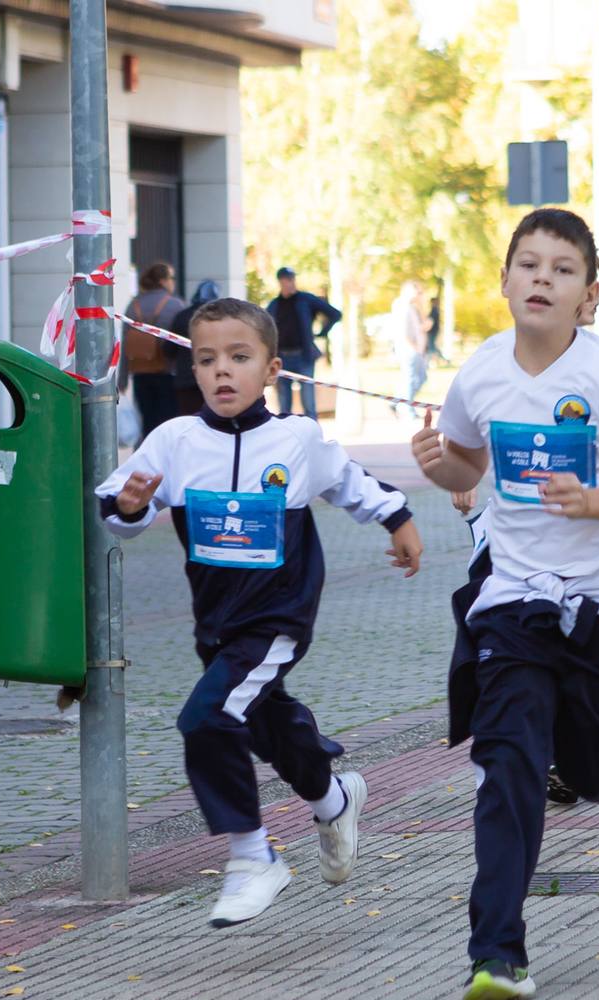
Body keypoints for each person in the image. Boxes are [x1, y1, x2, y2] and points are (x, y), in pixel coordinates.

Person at [412, 207, 599, 1000]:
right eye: (527, 265)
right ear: (503, 283)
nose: (542, 279)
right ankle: (497, 953)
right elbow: (465, 460)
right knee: (510, 767)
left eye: (562, 270)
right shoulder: (482, 372)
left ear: (588, 297)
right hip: (513, 602)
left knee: (596, 770)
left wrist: (593, 500)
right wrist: (438, 464)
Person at [95, 298, 423, 928]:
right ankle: (332, 799)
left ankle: (253, 857)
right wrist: (131, 506)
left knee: (208, 718)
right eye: (207, 359)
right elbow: (116, 507)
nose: (222, 372)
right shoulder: (175, 441)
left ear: (272, 369)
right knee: (263, 723)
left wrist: (400, 520)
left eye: (238, 358)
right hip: (216, 624)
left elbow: (353, 482)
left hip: (277, 618)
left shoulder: (296, 439)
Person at [267, 267, 343, 419]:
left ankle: (313, 438)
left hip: (304, 357)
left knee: (309, 403)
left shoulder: (306, 300)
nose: (290, 283)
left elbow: (335, 314)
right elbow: (265, 327)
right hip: (282, 358)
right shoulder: (275, 305)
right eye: (286, 280)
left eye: (292, 279)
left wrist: (322, 332)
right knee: (284, 405)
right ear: (280, 282)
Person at [123, 261, 184, 434]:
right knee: (169, 423)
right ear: (163, 281)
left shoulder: (133, 305)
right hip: (168, 373)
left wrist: (122, 378)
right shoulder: (175, 305)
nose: (173, 282)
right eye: (171, 278)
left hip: (140, 374)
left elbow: (124, 342)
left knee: (148, 424)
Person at [166, 279, 224, 422]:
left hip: (185, 381)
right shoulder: (222, 319)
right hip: (214, 380)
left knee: (189, 422)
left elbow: (168, 349)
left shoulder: (182, 316)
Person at [395, 281, 433, 412]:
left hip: (417, 349)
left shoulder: (413, 307)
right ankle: (407, 410)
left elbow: (424, 324)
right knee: (411, 379)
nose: (420, 295)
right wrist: (414, 347)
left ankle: (396, 403)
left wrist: (421, 305)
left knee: (420, 377)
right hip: (410, 349)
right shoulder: (402, 306)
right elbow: (403, 331)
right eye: (419, 292)